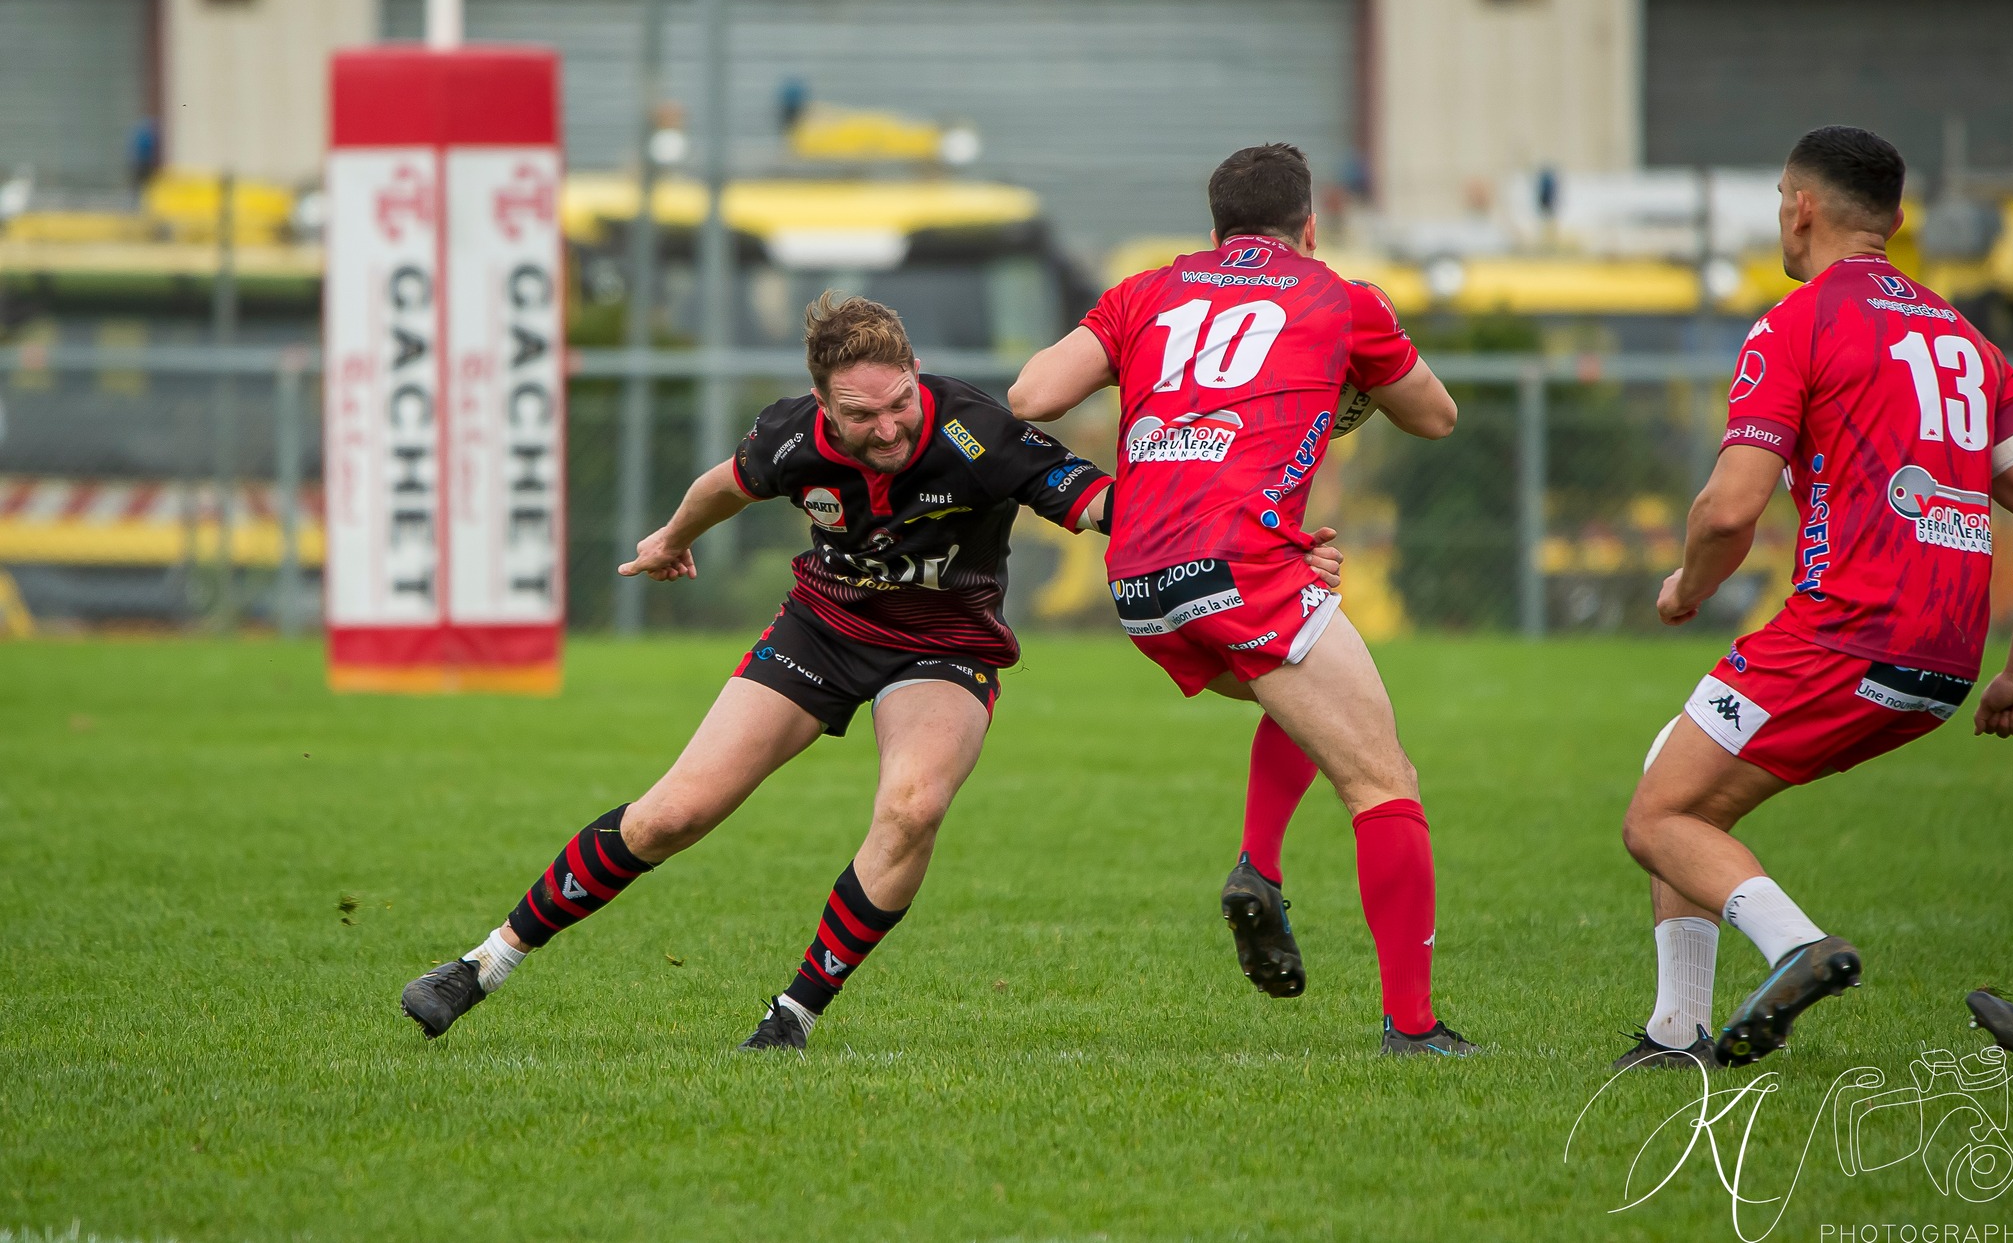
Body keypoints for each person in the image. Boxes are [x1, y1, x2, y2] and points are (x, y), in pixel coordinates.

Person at [399, 294, 1140, 1050]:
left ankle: (793, 1016)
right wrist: (671, 537)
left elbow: (1100, 501)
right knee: (670, 816)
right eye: (861, 415)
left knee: (912, 808)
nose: (887, 427)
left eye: (899, 403)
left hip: (944, 646)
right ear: (823, 404)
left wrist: (1200, 500)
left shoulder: (978, 432)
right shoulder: (793, 435)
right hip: (821, 630)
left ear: (917, 372)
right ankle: (480, 964)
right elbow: (726, 483)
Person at [1009, 143, 1478, 1056]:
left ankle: (1258, 866)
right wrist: (1357, 389)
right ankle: (1414, 1030)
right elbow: (1437, 415)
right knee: (1385, 782)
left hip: (1141, 573)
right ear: (1310, 226)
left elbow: (1031, 393)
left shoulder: (1146, 290)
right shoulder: (1340, 296)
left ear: (1212, 225)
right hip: (1238, 564)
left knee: (1303, 681)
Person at [1617, 125, 2013, 1072]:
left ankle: (1798, 947)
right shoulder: (1966, 338)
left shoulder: (1798, 319)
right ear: (1894, 220)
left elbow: (1731, 508)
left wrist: (1688, 585)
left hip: (1846, 632)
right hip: (1945, 660)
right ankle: (1676, 1033)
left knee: (1656, 819)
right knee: (1676, 769)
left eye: (1780, 196)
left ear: (1801, 206)